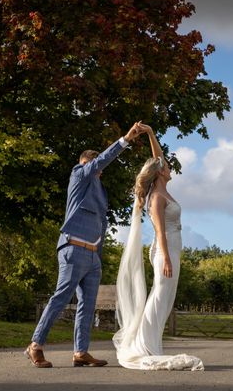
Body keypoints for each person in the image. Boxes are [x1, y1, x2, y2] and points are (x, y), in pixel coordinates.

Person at [25, 122, 145, 368]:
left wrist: (98, 257)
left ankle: (80, 352)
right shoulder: (78, 175)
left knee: (87, 306)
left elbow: (100, 224)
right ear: (89, 165)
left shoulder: (100, 189)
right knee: (60, 298)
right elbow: (100, 161)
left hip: (92, 256)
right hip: (73, 248)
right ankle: (35, 345)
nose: (99, 171)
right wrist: (125, 140)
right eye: (96, 167)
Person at [113, 124, 204, 371]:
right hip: (164, 251)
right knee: (159, 295)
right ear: (160, 173)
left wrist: (152, 133)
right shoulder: (156, 198)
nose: (169, 166)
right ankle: (145, 347)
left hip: (173, 249)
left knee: (165, 298)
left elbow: (157, 157)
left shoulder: (164, 189)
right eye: (166, 166)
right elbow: (160, 232)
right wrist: (165, 258)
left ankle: (152, 343)